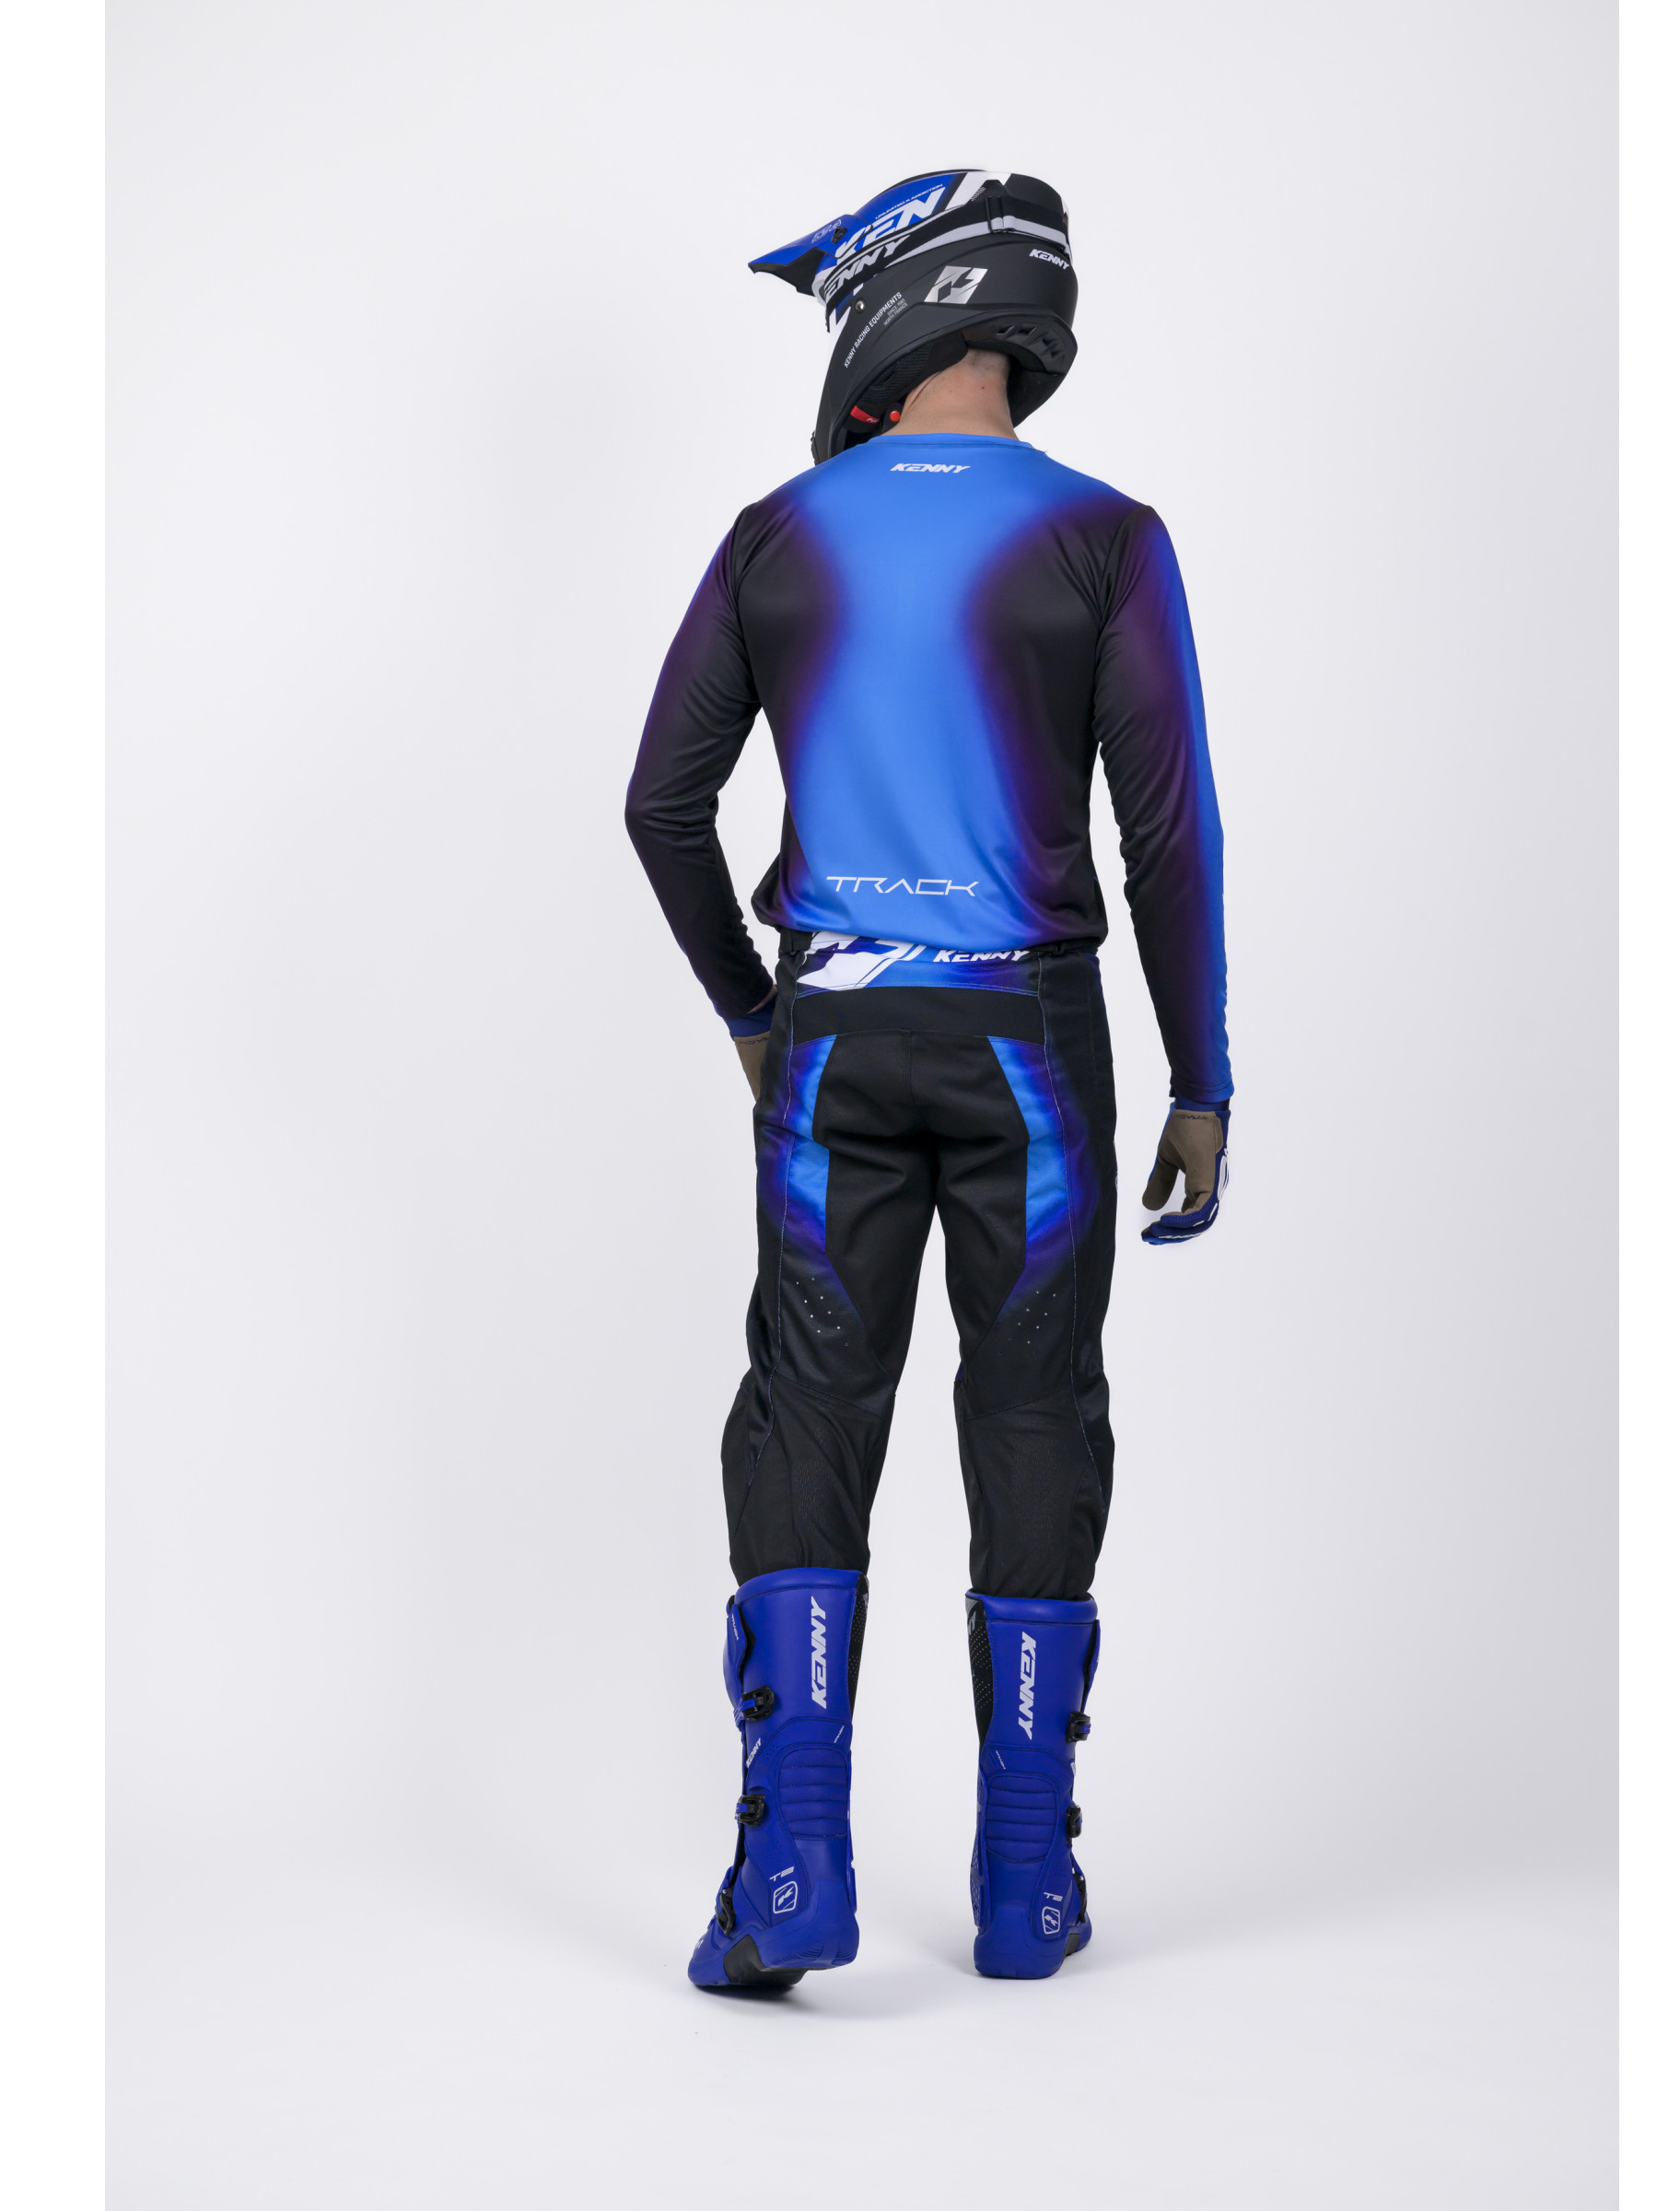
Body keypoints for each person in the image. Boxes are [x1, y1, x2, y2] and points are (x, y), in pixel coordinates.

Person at [624, 170, 1231, 1990]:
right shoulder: (1106, 536)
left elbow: (662, 806)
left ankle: (791, 1864)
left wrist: (753, 1013)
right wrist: (1202, 1075)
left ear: (896, 307)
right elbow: (1169, 835)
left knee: (809, 1412)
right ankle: (1026, 1886)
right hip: (1033, 1048)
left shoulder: (780, 533)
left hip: (830, 1041)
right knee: (1036, 1416)